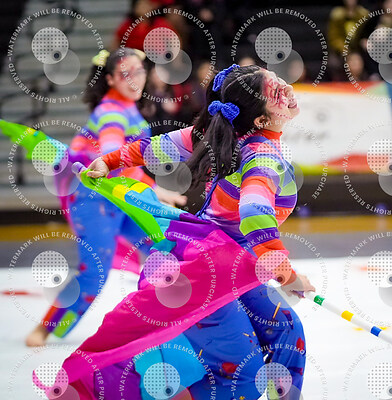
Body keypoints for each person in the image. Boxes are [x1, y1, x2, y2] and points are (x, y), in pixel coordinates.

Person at [58, 64, 316, 399]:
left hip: (230, 265)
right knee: (243, 377)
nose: (288, 89)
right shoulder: (261, 158)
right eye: (277, 91)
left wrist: (110, 161)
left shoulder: (220, 135)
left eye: (279, 81)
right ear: (261, 120)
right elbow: (255, 216)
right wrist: (287, 275)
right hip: (205, 272)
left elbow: (153, 148)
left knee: (288, 334)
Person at [25, 48, 186, 347]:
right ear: (111, 78)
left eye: (139, 71)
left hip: (119, 197)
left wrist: (154, 189)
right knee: (94, 274)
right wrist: (153, 189)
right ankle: (46, 328)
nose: (135, 78)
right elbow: (113, 154)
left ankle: (165, 321)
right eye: (126, 73)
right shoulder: (111, 111)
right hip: (93, 202)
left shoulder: (129, 107)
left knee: (165, 247)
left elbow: (125, 163)